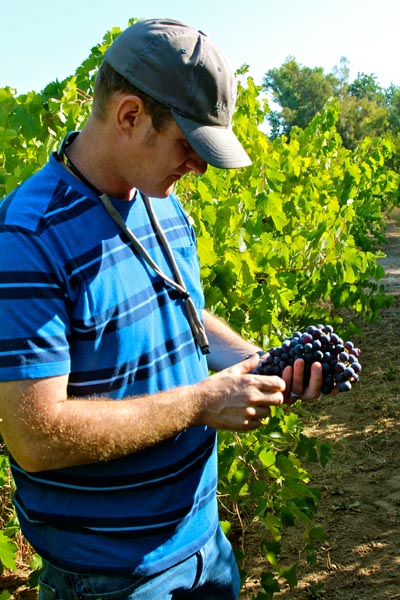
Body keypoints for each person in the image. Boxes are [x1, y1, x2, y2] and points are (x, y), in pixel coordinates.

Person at [0, 18, 324, 600]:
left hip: (205, 549)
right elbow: (36, 436)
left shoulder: (162, 205)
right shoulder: (28, 238)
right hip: (111, 580)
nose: (197, 167)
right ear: (129, 117)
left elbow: (185, 320)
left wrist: (260, 360)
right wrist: (203, 401)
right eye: (187, 144)